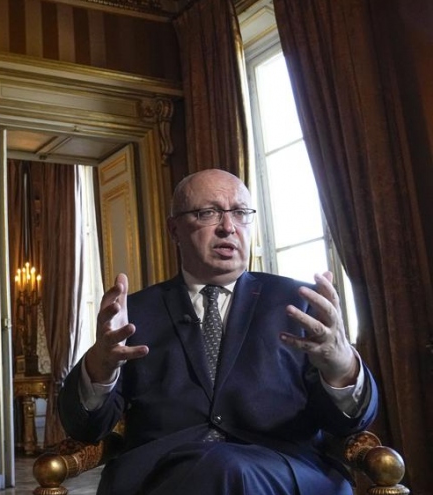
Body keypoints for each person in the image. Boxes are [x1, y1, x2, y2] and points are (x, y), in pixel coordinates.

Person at [58, 169, 377, 495]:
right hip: (163, 473)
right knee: (220, 468)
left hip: (281, 467)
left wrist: (342, 369)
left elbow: (349, 423)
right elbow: (85, 428)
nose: (228, 227)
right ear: (174, 229)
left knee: (227, 468)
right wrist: (100, 368)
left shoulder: (300, 304)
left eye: (240, 212)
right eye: (207, 213)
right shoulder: (134, 314)